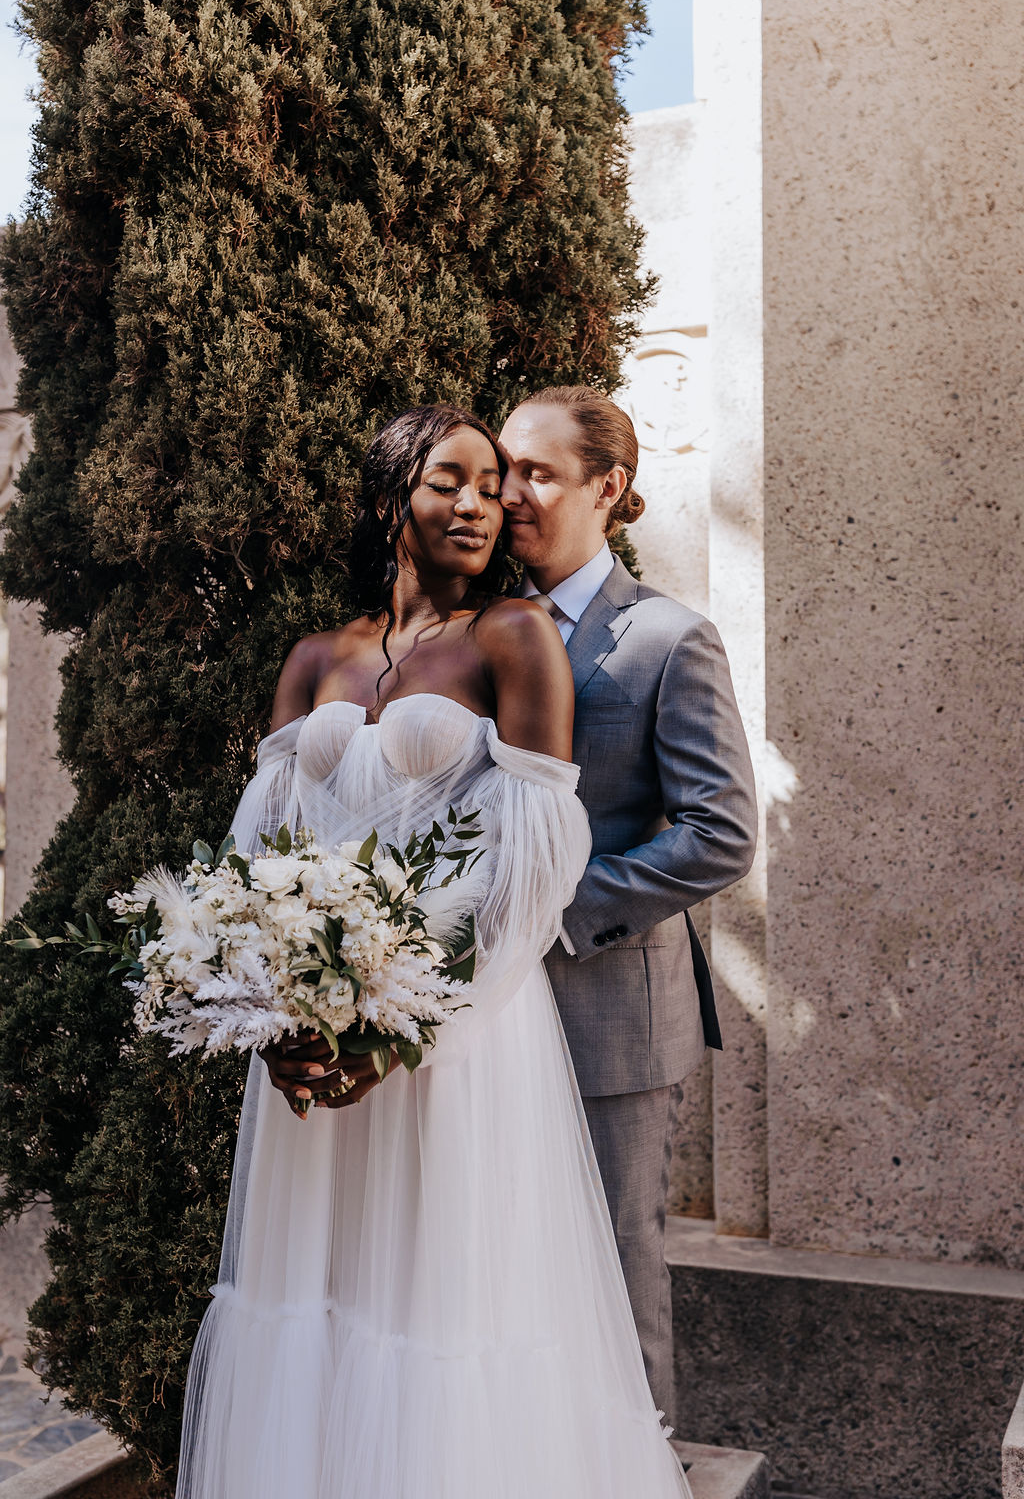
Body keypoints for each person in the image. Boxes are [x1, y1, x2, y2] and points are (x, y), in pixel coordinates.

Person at [175, 404, 692, 1499]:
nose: (479, 503)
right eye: (446, 482)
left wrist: (410, 1031)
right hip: (317, 1053)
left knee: (446, 1308)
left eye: (491, 483)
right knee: (321, 1298)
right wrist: (269, 1021)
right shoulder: (320, 653)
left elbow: (534, 865)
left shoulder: (513, 635)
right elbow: (253, 862)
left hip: (457, 1037)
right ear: (386, 500)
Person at [498, 386, 758, 1423]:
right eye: (502, 469)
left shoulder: (666, 639)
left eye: (537, 473)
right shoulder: (483, 630)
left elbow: (719, 834)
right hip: (490, 1022)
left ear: (606, 487)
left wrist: (551, 908)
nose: (510, 493)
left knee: (613, 1272)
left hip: (610, 1019)